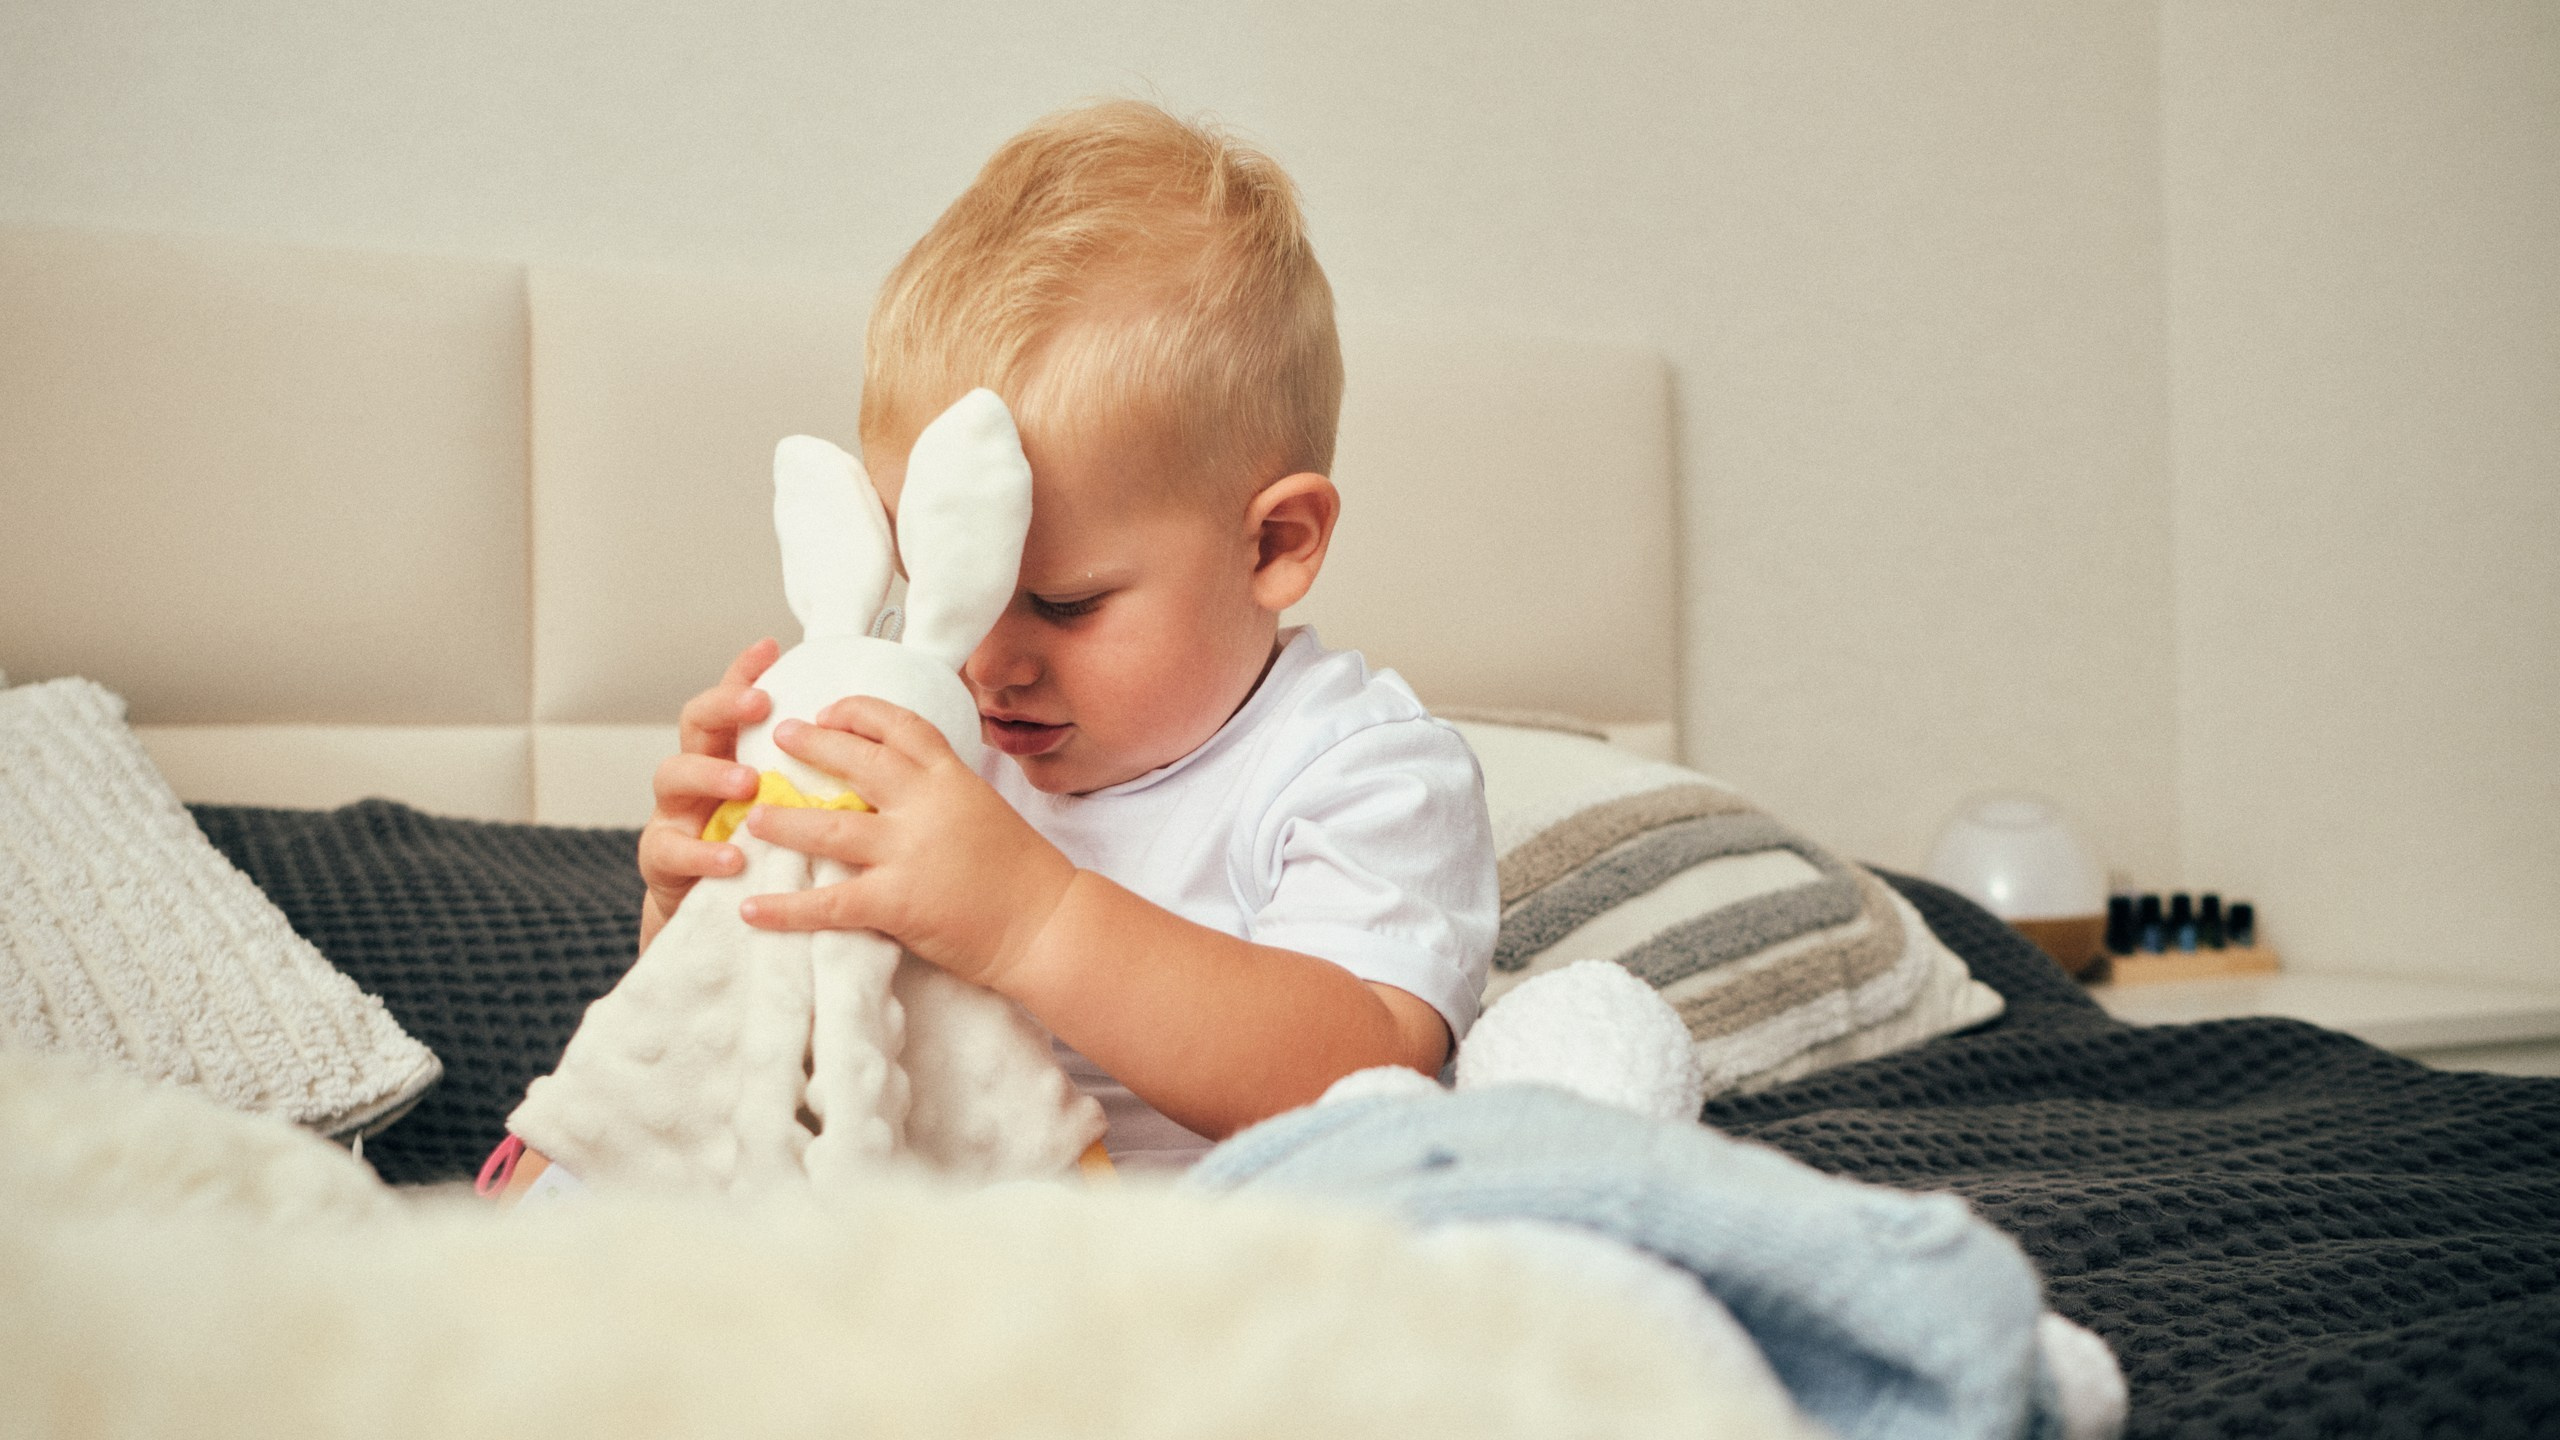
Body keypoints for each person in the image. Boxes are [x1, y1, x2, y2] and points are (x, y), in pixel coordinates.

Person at [518, 100, 1496, 1186]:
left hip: (1197, 1258)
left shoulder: (1359, 771)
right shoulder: (937, 747)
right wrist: (705, 898)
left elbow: (1356, 1078)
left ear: (1273, 541)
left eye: (1065, 603)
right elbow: (774, 1052)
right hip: (920, 1231)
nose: (989, 664)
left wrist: (1034, 918)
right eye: (940, 594)